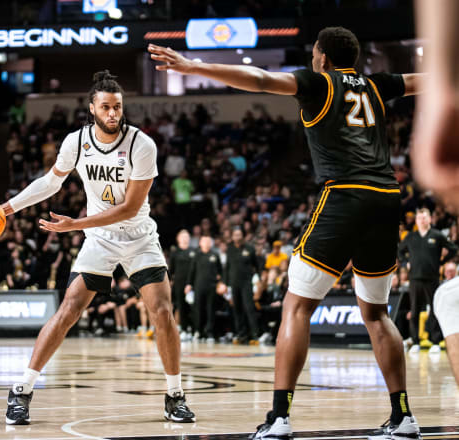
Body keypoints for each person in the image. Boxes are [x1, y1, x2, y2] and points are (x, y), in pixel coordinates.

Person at [150, 25, 423, 439]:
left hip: (345, 194)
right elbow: (429, 81)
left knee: (296, 308)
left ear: (323, 58)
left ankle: (279, 417)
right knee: (376, 314)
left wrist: (194, 65)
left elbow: (259, 79)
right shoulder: (376, 84)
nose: (313, 59)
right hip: (387, 198)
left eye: (314, 54)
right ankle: (403, 416)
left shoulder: (317, 81)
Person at [0, 70, 195, 425]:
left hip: (138, 237)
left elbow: (130, 208)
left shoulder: (141, 145)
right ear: (92, 108)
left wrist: (75, 224)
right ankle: (22, 390)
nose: (112, 114)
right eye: (105, 107)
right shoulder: (76, 142)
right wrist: (9, 208)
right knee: (68, 310)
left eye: (117, 107)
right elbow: (50, 182)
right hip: (101, 240)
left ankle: (175, 395)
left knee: (162, 312)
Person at [412, 0, 459, 387]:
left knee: (448, 300)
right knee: (446, 300)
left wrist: (441, 95)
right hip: (417, 280)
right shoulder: (411, 236)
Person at [398, 208, 457, 353]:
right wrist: (406, 263)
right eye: (419, 218)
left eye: (424, 217)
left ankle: (436, 341)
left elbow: (453, 249)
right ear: (416, 220)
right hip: (415, 279)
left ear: (429, 219)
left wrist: (442, 262)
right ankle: (415, 341)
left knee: (435, 310)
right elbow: (399, 251)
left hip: (432, 279)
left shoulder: (437, 235)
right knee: (415, 311)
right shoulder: (411, 237)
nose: (421, 220)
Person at [225, 228, 260, 344]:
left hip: (246, 283)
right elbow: (227, 267)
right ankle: (241, 334)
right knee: (237, 309)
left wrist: (258, 279)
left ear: (243, 236)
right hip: (234, 284)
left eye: (239, 234)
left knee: (249, 308)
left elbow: (257, 266)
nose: (237, 236)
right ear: (232, 237)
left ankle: (254, 335)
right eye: (235, 234)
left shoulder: (250, 249)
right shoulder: (229, 249)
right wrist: (225, 284)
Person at [185, 236, 223, 342]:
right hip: (199, 286)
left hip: (212, 287)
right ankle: (198, 331)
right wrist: (189, 284)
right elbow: (192, 271)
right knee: (198, 309)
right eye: (204, 241)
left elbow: (221, 271)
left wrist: (221, 283)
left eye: (208, 241)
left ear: (211, 243)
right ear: (200, 243)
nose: (206, 243)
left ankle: (209, 332)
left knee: (211, 310)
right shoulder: (197, 255)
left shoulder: (215, 255)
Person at [169, 229, 195, 340]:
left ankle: (193, 329)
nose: (185, 238)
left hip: (192, 283)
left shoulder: (193, 252)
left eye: (187, 236)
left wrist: (191, 284)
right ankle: (183, 329)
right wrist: (170, 283)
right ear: (178, 239)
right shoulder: (175, 252)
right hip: (179, 283)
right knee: (181, 306)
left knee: (193, 307)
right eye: (183, 236)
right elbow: (171, 269)